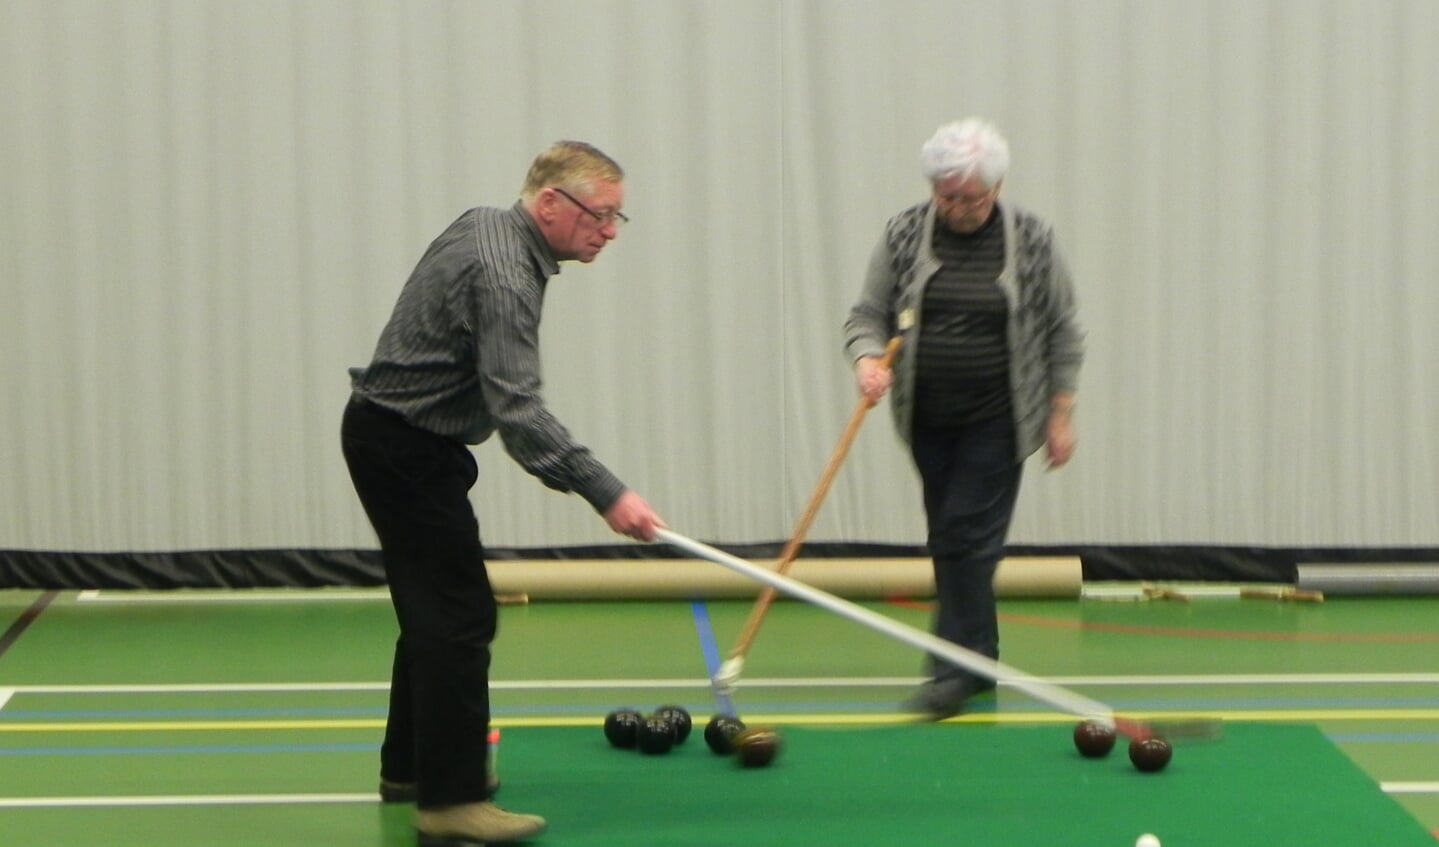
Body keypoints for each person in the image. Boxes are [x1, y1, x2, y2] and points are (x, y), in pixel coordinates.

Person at [341, 140, 665, 845]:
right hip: (405, 446)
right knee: (459, 617)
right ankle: (451, 802)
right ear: (550, 203)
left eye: (616, 218)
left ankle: (410, 767)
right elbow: (518, 411)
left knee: (433, 613)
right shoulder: (506, 273)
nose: (608, 230)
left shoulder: (485, 222)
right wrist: (607, 493)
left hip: (396, 437)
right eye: (599, 214)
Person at [843, 118, 1084, 720]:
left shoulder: (1030, 237)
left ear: (996, 189)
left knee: (966, 539)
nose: (957, 208)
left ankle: (952, 671)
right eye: (945, 196)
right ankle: (982, 659)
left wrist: (1060, 414)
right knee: (953, 540)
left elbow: (1063, 329)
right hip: (926, 417)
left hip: (1000, 417)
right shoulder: (904, 234)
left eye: (969, 197)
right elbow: (866, 313)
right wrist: (867, 359)